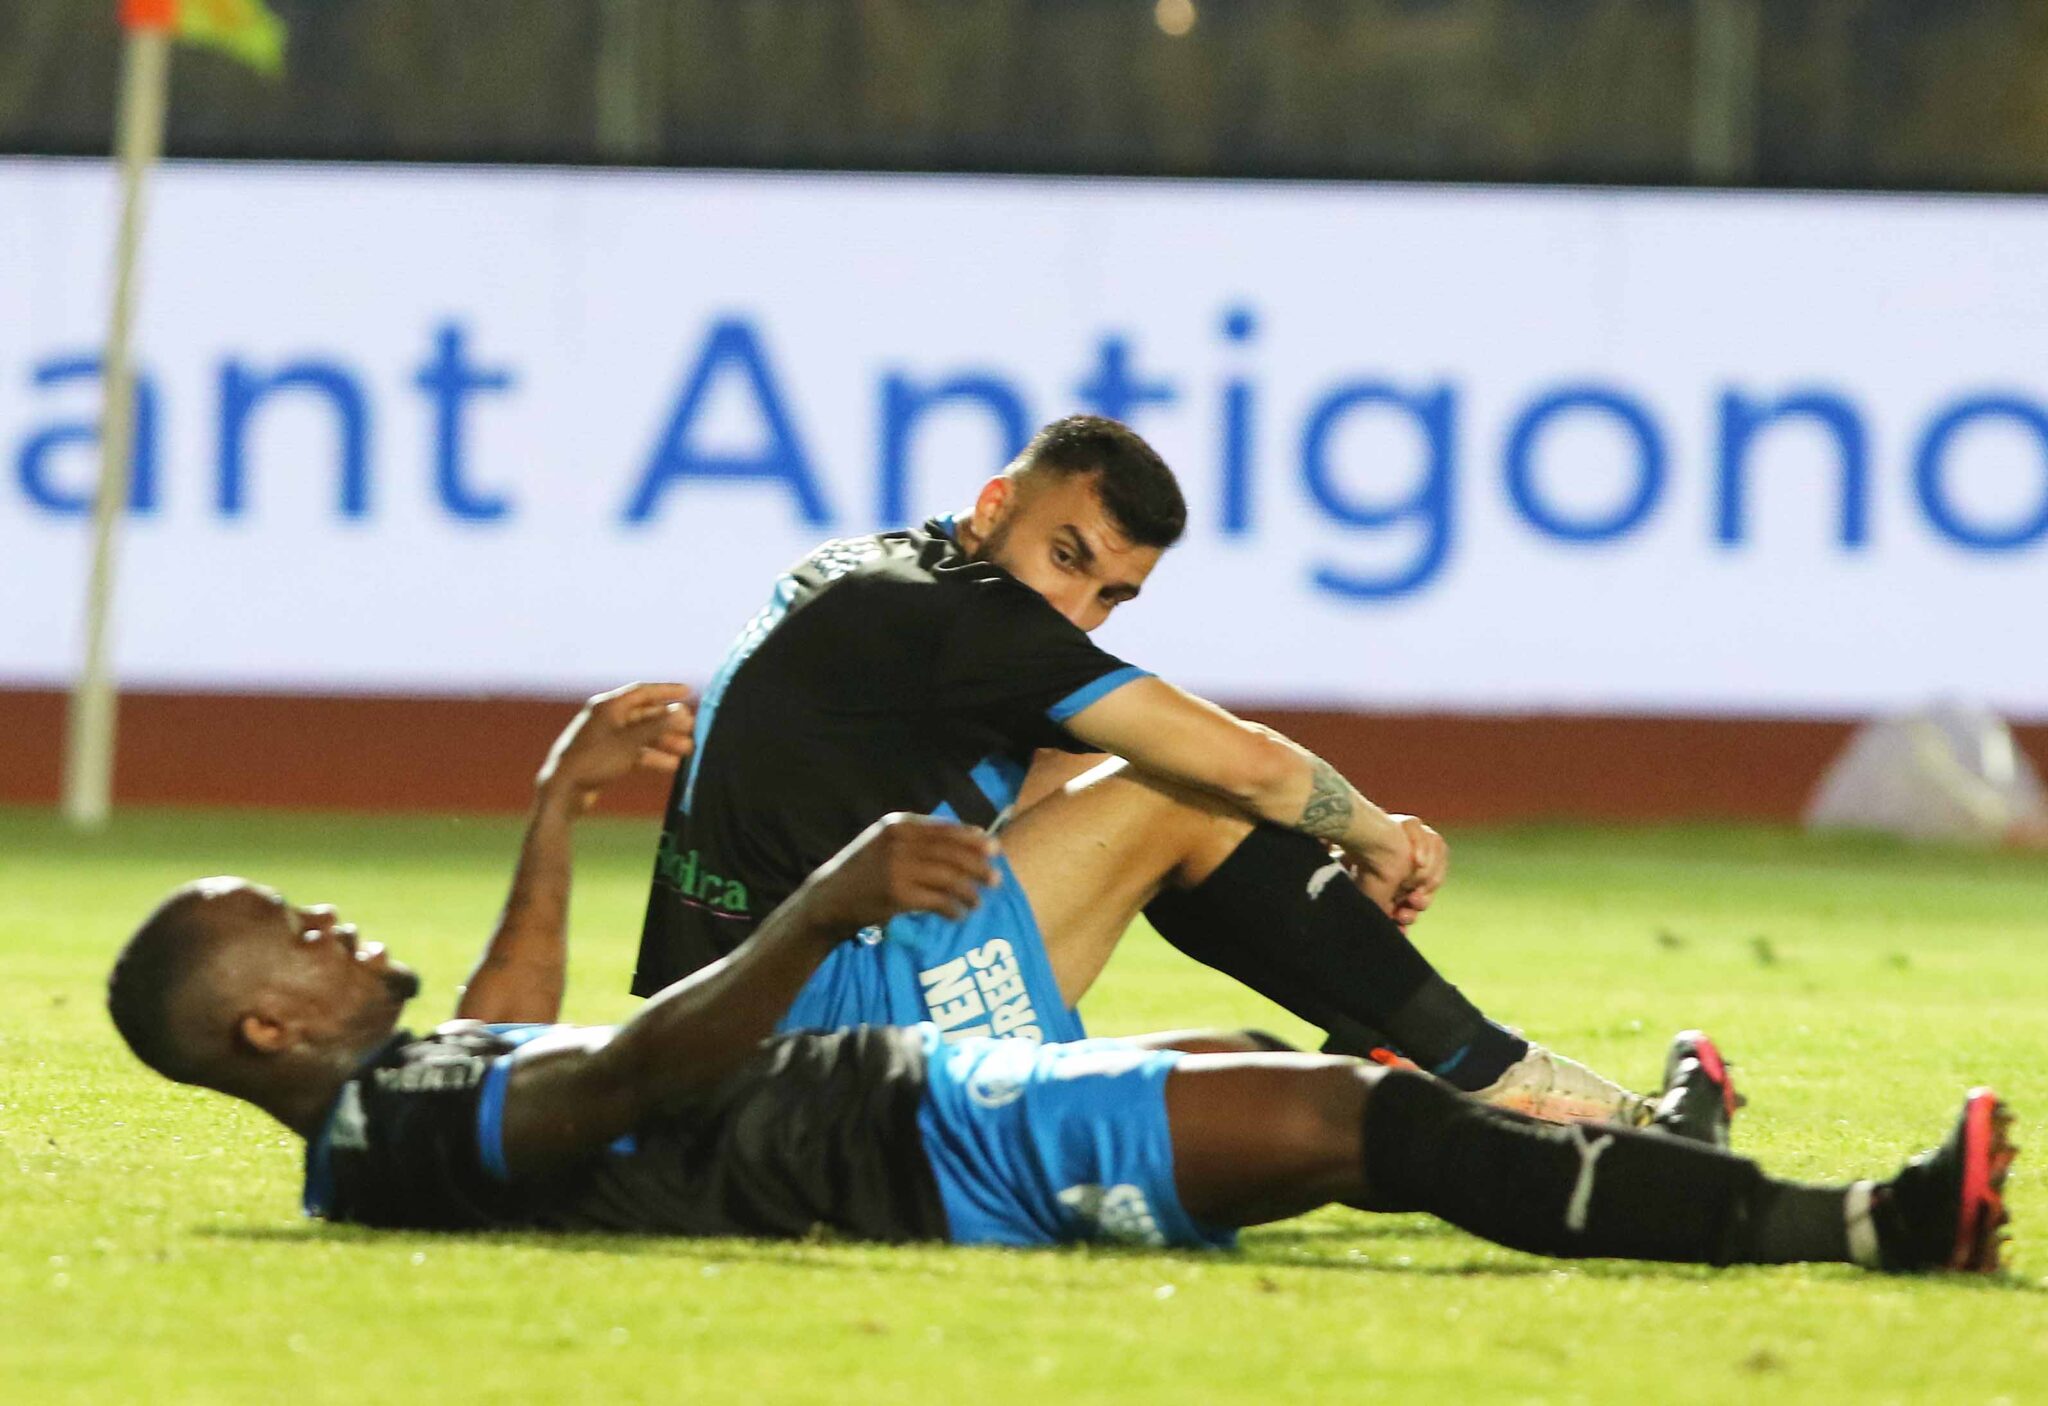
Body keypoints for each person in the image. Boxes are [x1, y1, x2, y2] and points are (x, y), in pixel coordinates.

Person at [109, 686, 2012, 1272]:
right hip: (921, 1154)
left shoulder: (390, 1109)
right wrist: (820, 908)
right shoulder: (396, 1130)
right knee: (1358, 1121)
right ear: (263, 1025)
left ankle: (1669, 1164)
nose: (330, 922)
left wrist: (553, 801)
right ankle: (1860, 1225)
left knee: (1281, 1077)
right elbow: (613, 1077)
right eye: (293, 926)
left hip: (913, 1120)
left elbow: (522, 1024)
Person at [636, 414, 1657, 1125]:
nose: (1075, 610)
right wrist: (1380, 837)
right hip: (818, 1031)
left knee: (1199, 930)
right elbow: (1247, 764)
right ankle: (1489, 1070)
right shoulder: (976, 623)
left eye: (1111, 595)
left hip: (716, 1023)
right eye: (1066, 555)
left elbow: (1030, 795)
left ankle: (1386, 1040)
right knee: (1177, 791)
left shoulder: (877, 570)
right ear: (994, 504)